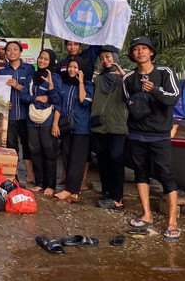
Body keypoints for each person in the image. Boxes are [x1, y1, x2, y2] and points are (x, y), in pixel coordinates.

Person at [122, 36, 182, 240]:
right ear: (131, 54)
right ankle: (146, 214)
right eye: (136, 49)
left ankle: (172, 221)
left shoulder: (165, 73)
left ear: (152, 52)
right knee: (140, 172)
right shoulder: (128, 78)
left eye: (144, 49)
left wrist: (154, 90)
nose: (140, 52)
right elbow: (127, 103)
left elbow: (173, 98)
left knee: (165, 175)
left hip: (160, 135)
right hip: (137, 133)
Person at [0, 41, 35, 183]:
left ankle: (30, 174)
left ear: (20, 52)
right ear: (5, 53)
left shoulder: (28, 69)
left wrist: (17, 85)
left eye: (15, 49)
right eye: (9, 50)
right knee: (11, 146)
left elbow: (33, 90)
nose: (12, 52)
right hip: (9, 114)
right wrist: (3, 101)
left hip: (25, 115)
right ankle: (14, 174)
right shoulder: (2, 70)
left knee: (27, 144)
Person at [90, 46, 128, 210]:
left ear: (115, 57)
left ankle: (118, 197)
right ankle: (106, 193)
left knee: (116, 161)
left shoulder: (125, 78)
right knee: (103, 161)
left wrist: (125, 77)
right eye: (102, 58)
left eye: (108, 57)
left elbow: (135, 92)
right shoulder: (98, 79)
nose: (105, 60)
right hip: (99, 126)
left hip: (117, 126)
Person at [20, 49, 62, 195]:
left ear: (51, 62)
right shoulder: (31, 77)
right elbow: (23, 95)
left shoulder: (55, 77)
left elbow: (57, 100)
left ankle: (50, 185)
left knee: (49, 152)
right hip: (32, 120)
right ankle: (39, 183)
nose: (42, 61)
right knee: (35, 151)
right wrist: (37, 98)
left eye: (46, 59)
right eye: (40, 58)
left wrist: (50, 87)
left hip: (47, 120)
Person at [53, 57, 94, 201]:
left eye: (76, 67)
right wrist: (55, 124)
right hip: (66, 127)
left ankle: (70, 189)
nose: (72, 69)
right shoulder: (65, 84)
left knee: (77, 160)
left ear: (81, 70)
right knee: (67, 157)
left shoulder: (88, 85)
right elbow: (59, 105)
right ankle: (73, 189)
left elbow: (84, 101)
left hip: (80, 128)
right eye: (70, 67)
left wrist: (81, 81)